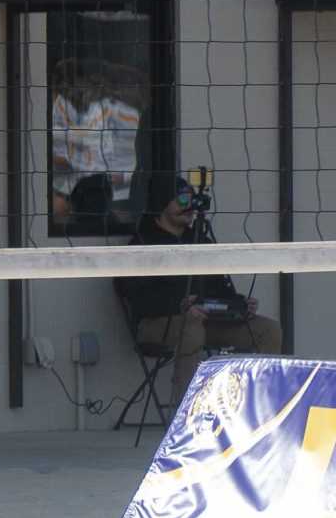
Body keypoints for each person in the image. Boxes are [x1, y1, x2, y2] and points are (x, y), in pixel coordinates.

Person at [117, 172, 284, 409]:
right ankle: (186, 414)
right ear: (162, 206)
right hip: (157, 324)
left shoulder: (200, 241)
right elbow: (137, 298)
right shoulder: (142, 244)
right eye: (182, 201)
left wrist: (238, 304)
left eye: (192, 201)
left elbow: (219, 287)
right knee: (191, 328)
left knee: (267, 329)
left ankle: (263, 407)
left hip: (206, 321)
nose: (190, 207)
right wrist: (180, 305)